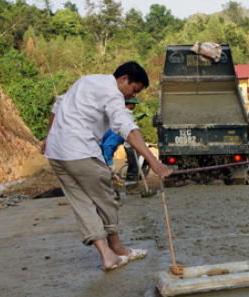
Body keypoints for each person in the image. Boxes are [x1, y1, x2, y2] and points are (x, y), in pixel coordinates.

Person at [42, 61, 172, 271]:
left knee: (82, 204)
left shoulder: (86, 80)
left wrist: (49, 137)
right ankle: (117, 248)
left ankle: (107, 256)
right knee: (106, 199)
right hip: (80, 150)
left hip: (56, 153)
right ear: (123, 79)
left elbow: (58, 104)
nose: (132, 95)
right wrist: (153, 161)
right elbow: (125, 126)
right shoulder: (112, 93)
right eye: (134, 90)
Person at [99, 97, 140, 188]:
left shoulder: (119, 115)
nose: (135, 105)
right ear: (130, 103)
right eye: (134, 104)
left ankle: (110, 193)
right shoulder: (123, 122)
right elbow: (108, 145)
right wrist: (110, 162)